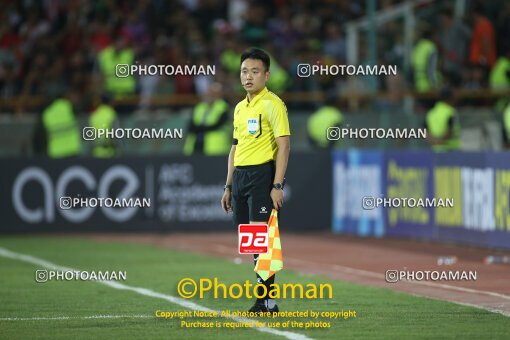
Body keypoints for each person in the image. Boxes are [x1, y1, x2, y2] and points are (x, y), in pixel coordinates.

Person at [220, 48, 290, 314]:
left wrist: (277, 185)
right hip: (240, 177)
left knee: (262, 239)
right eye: (244, 71)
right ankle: (265, 299)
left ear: (267, 75)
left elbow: (284, 146)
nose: (248, 77)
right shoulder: (239, 108)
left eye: (255, 71)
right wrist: (227, 185)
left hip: (262, 174)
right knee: (252, 242)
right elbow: (235, 148)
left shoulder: (273, 104)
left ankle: (266, 301)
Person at [183, 82, 230, 156]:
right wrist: (202, 128)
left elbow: (216, 126)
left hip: (215, 149)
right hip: (195, 147)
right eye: (209, 92)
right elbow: (190, 126)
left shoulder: (224, 107)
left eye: (213, 93)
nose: (210, 95)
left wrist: (199, 128)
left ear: (219, 95)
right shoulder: (199, 107)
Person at [38, 91, 82, 158]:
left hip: (56, 152)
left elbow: (42, 136)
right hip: (72, 149)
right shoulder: (67, 106)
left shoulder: (46, 114)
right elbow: (80, 110)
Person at [424, 88, 461, 152]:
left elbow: (424, 131)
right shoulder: (451, 112)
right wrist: (441, 141)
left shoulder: (431, 113)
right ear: (450, 98)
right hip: (451, 150)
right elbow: (450, 130)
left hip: (437, 151)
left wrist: (435, 141)